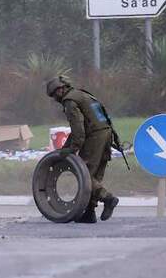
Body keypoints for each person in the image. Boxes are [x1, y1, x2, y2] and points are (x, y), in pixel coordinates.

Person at [45, 76, 119, 223]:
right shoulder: (82, 94)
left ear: (60, 90)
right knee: (95, 175)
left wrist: (73, 149)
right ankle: (90, 212)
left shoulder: (70, 101)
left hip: (95, 137)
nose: (55, 99)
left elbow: (78, 128)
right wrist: (65, 147)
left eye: (54, 95)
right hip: (106, 134)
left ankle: (107, 198)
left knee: (84, 174)